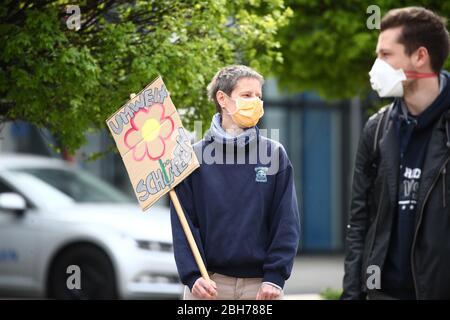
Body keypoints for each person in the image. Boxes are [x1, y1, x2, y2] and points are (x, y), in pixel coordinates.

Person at [342, 7, 450, 300]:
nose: (376, 66)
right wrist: (352, 294)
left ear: (420, 57)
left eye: (386, 55)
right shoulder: (377, 129)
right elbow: (359, 221)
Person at [170, 65, 300, 300]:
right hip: (208, 285)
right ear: (223, 99)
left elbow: (286, 221)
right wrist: (192, 276)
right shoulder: (193, 158)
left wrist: (275, 277)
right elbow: (184, 223)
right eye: (247, 95)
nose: (256, 102)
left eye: (259, 96)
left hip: (261, 287)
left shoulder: (274, 154)